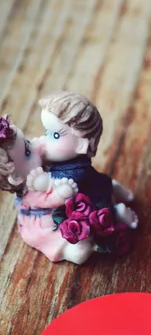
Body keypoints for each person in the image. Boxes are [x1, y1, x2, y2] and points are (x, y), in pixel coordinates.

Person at [0, 115, 93, 263]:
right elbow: (48, 201)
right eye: (27, 153)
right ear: (17, 176)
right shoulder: (31, 193)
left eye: (27, 142)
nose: (34, 147)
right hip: (44, 222)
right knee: (61, 233)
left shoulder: (37, 170)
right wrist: (60, 195)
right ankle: (68, 250)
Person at [37, 91, 138, 228]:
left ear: (80, 145)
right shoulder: (66, 161)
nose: (44, 140)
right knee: (104, 182)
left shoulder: (74, 174)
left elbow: (53, 185)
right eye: (46, 133)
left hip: (92, 198)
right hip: (99, 182)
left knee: (95, 214)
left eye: (55, 135)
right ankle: (114, 187)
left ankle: (117, 212)